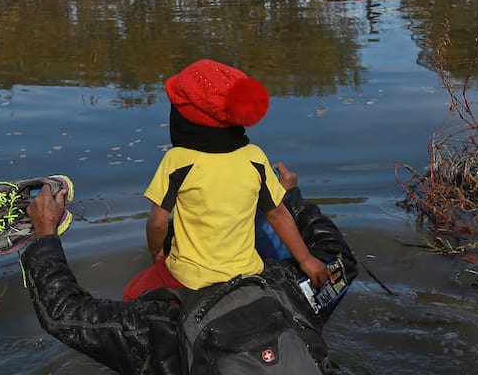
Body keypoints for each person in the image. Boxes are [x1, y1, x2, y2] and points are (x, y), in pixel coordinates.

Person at [19, 164, 371, 375]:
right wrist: (291, 197)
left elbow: (63, 313)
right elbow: (340, 258)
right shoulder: (288, 286)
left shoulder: (157, 323)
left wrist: (45, 235)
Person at [123, 59, 329, 301]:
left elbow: (158, 223)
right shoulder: (255, 157)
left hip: (189, 277)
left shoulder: (178, 160)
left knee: (132, 293)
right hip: (246, 273)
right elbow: (277, 214)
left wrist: (157, 254)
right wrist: (306, 260)